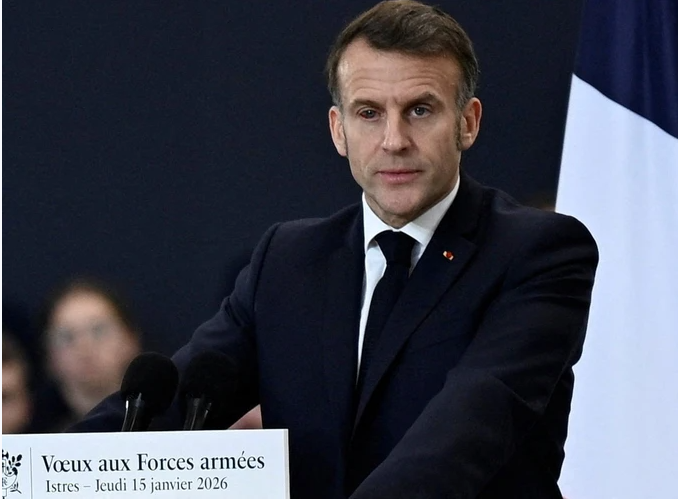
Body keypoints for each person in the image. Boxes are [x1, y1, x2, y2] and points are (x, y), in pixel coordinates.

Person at [73, 1, 598, 498]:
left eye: (419, 110)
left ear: (468, 123)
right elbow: (173, 403)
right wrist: (45, 475)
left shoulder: (539, 253)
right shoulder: (288, 261)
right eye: (369, 113)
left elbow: (467, 429)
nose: (394, 140)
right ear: (338, 130)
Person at [41, 278, 141, 431]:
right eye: (66, 337)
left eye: (98, 331)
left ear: (130, 339)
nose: (84, 348)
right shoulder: (33, 438)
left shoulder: (169, 429)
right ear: (49, 355)